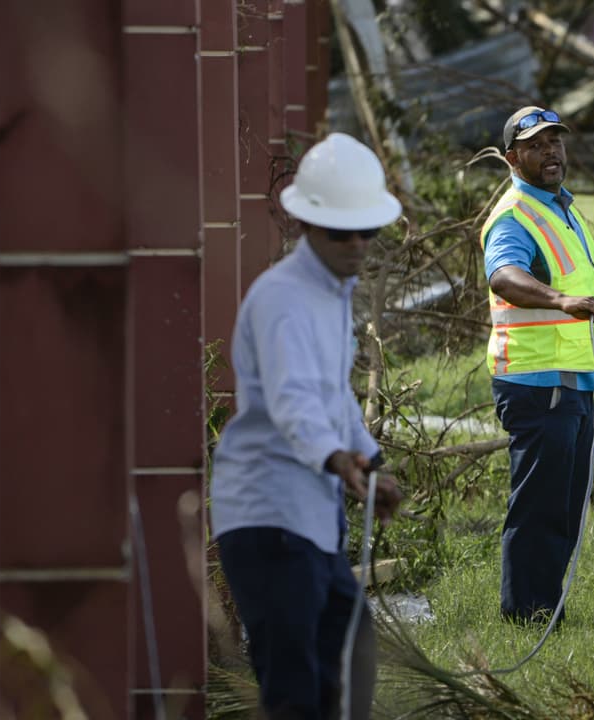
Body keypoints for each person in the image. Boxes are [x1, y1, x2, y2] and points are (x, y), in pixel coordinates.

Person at [210, 132, 404, 720]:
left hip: (309, 519)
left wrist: (367, 460)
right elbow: (292, 399)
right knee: (297, 686)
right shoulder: (282, 299)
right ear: (306, 227)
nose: (356, 244)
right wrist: (337, 459)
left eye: (365, 230)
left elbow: (333, 395)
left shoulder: (332, 294)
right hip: (267, 516)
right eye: (340, 232)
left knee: (351, 657)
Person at [482, 106, 594, 625]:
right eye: (537, 145)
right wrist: (561, 299)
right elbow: (504, 276)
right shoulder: (514, 215)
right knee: (541, 505)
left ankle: (544, 607)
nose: (551, 152)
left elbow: (586, 287)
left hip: (576, 380)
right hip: (537, 381)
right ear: (512, 158)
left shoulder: (561, 208)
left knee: (566, 503)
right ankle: (526, 614)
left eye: (556, 142)